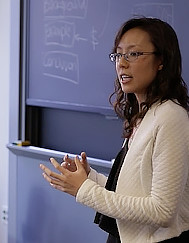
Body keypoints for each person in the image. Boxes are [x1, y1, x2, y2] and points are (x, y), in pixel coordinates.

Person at [40, 17, 189, 243]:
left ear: (161, 61)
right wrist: (89, 178)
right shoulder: (143, 114)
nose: (122, 63)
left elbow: (162, 211)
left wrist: (85, 190)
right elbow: (133, 192)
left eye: (134, 54)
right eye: (118, 55)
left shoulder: (170, 115)